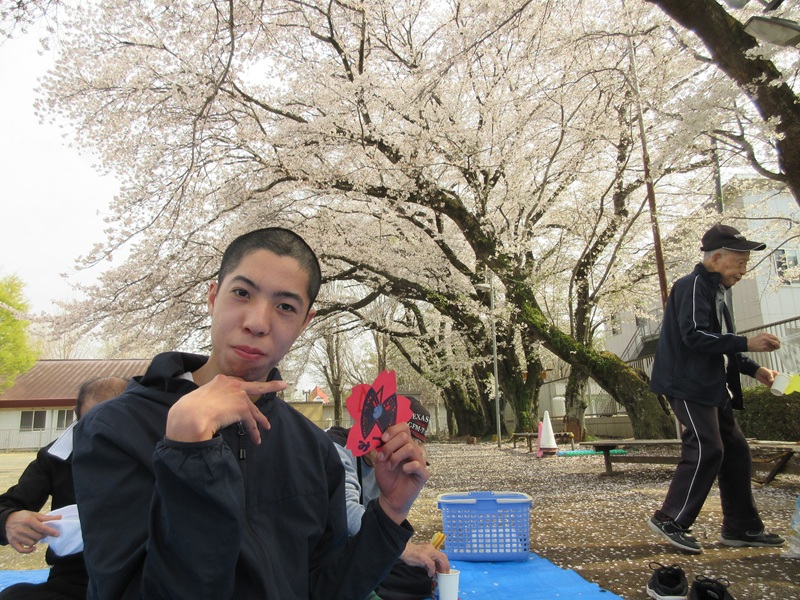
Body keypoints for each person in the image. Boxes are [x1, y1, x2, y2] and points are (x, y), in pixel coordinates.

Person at [72, 227, 429, 600]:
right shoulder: (114, 429)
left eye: (285, 307)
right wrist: (187, 451)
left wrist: (390, 512)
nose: (258, 322)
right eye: (242, 293)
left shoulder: (313, 448)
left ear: (304, 323)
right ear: (213, 297)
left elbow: (325, 588)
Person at [647, 223, 785, 554]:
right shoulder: (692, 285)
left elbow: (721, 344)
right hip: (686, 383)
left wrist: (755, 369)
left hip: (711, 385)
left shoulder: (718, 291)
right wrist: (747, 343)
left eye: (745, 263)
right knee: (707, 447)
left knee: (736, 451)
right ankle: (670, 519)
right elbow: (694, 336)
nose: (743, 269)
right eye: (740, 262)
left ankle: (741, 527)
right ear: (716, 258)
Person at [0, 376, 128, 600]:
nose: (104, 434)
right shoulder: (56, 457)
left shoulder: (159, 447)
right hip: (75, 576)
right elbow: (9, 504)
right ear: (76, 416)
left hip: (143, 574)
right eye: (94, 422)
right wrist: (8, 519)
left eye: (116, 422)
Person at [327, 398, 449, 600]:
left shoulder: (393, 463)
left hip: (365, 548)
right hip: (331, 552)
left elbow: (387, 520)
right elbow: (345, 511)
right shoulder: (336, 448)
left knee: (423, 574)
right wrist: (406, 550)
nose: (394, 454)